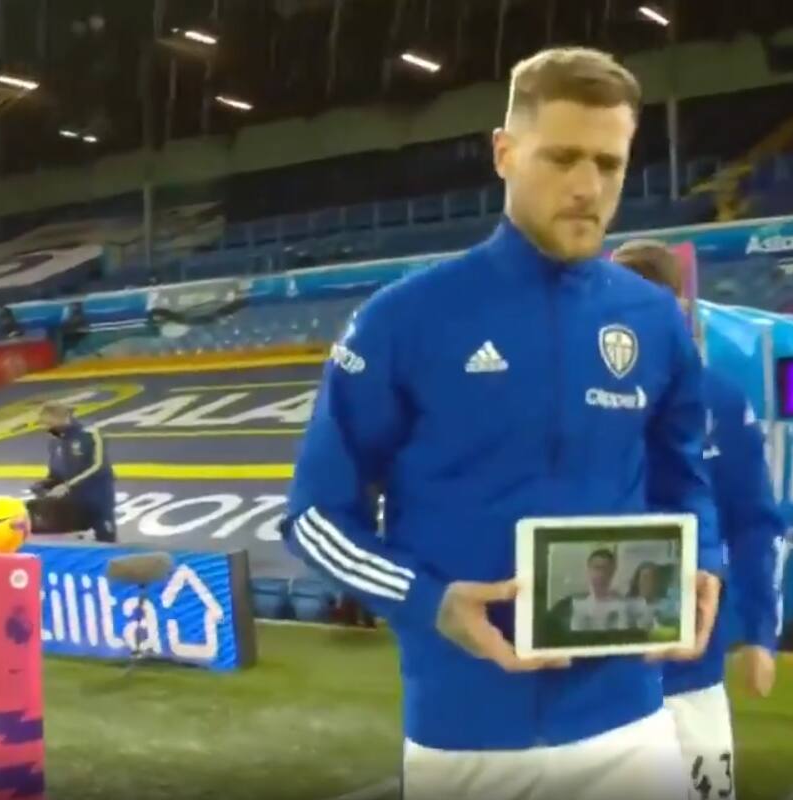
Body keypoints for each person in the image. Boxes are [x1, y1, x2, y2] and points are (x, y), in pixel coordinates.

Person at [281, 47, 723, 800]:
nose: (587, 187)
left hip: (631, 726)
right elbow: (315, 518)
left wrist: (706, 558)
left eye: (609, 164)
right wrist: (430, 604)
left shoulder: (653, 318)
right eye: (561, 158)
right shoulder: (404, 320)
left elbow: (686, 477)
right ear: (504, 153)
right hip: (467, 741)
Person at [612, 239, 786, 800]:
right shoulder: (570, 405)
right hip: (592, 681)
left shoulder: (720, 402)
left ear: (679, 309)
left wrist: (760, 632)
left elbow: (753, 522)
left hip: (691, 675)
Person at [27, 403, 117, 543]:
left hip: (97, 493)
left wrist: (67, 485)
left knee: (105, 535)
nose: (46, 427)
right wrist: (45, 484)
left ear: (62, 418)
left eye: (49, 423)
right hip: (72, 497)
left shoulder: (89, 433)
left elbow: (97, 465)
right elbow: (56, 471)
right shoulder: (55, 440)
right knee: (69, 535)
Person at [569, 548, 630, 632]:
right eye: (597, 568)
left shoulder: (622, 606)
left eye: (606, 569)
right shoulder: (578, 606)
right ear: (588, 570)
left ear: (612, 572)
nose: (601, 574)